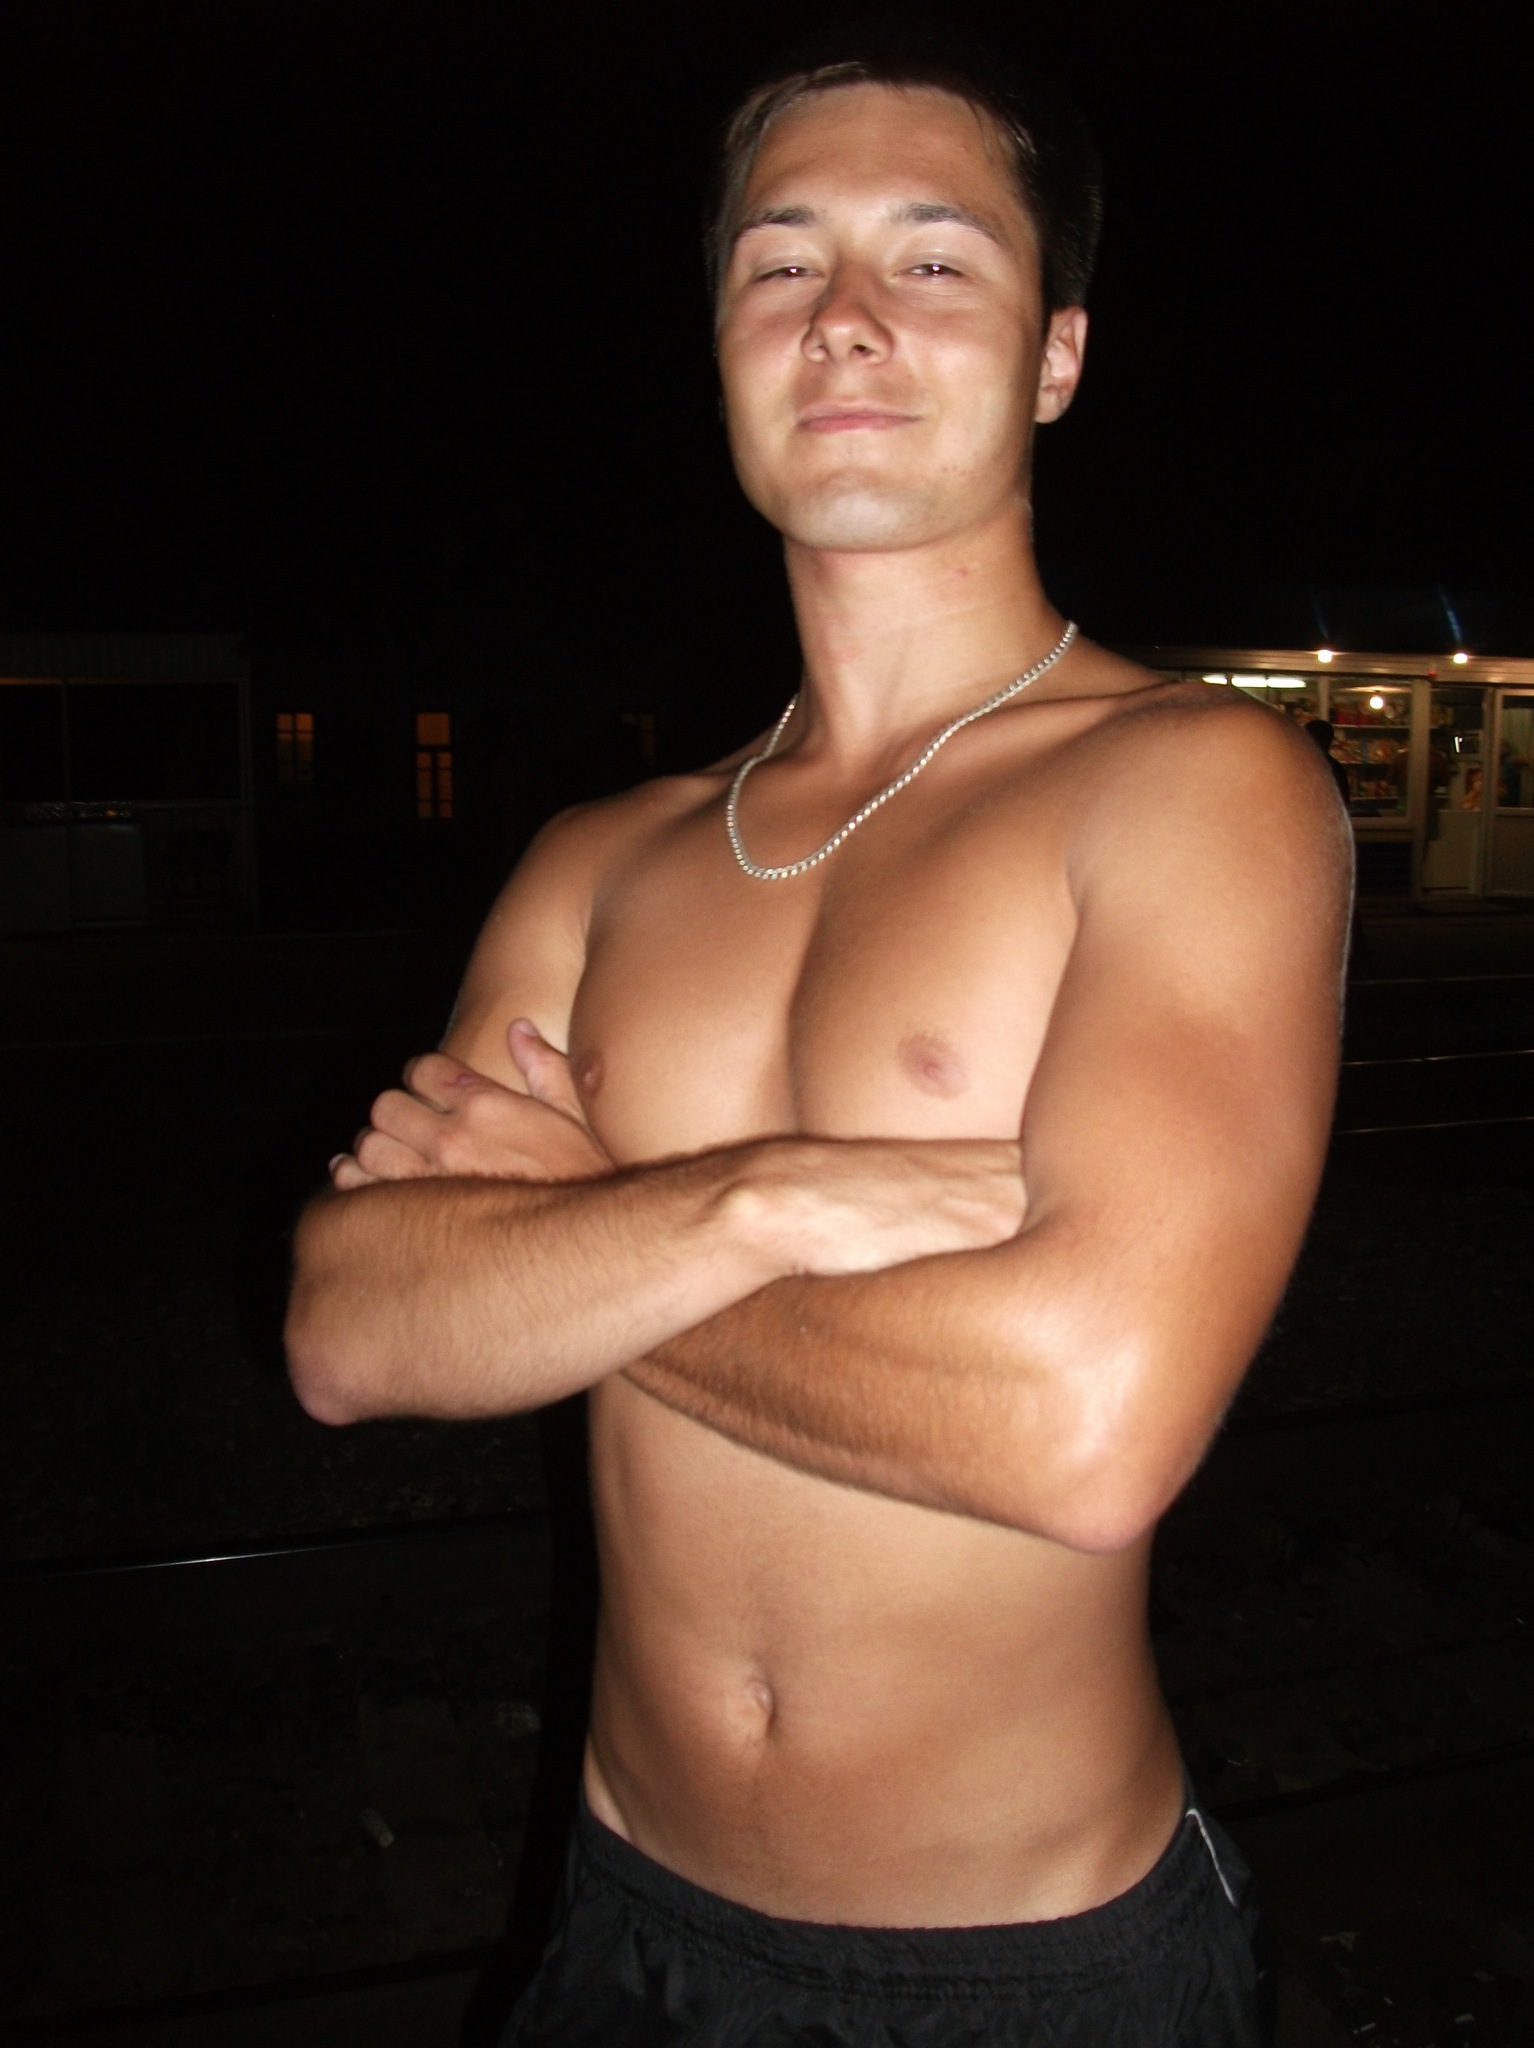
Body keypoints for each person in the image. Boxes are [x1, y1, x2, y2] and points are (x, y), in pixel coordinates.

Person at [286, 24, 1350, 2045]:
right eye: (779, 263)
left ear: (1054, 356)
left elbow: (1081, 1433)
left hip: (1032, 1968)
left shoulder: (1190, 785)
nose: (844, 317)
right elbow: (351, 1331)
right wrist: (767, 1199)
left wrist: (577, 1234)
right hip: (619, 1932)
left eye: (934, 260)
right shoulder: (601, 856)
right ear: (719, 345)